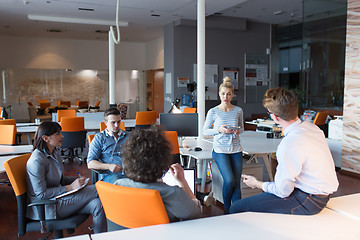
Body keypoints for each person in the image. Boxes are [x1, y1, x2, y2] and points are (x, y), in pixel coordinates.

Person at [230, 87, 339, 215]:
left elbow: (283, 192)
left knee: (236, 208)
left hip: (309, 201)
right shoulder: (312, 128)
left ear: (275, 117)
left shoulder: (289, 144)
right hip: (321, 194)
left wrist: (257, 183)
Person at [26, 122, 106, 233]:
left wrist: (76, 181)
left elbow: (60, 179)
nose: (62, 136)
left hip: (58, 199)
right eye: (58, 134)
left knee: (98, 204)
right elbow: (40, 195)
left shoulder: (55, 153)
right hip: (48, 207)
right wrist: (69, 187)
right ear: (45, 138)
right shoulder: (36, 160)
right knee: (99, 188)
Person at [114, 126, 201, 222]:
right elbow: (195, 213)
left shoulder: (119, 185)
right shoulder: (172, 193)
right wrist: (182, 181)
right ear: (164, 160)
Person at [203, 77, 244, 214]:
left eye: (228, 94)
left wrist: (238, 130)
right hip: (220, 150)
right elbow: (205, 131)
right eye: (223, 94)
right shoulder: (213, 111)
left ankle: (237, 212)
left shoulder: (238, 110)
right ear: (219, 94)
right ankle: (227, 210)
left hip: (236, 149)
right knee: (229, 179)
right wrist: (219, 130)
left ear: (232, 95)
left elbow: (242, 128)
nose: (226, 97)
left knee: (236, 182)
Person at [87, 107, 129, 183]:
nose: (117, 125)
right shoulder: (99, 138)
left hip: (130, 173)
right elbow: (90, 163)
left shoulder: (128, 136)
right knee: (123, 185)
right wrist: (109, 166)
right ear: (105, 123)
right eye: (113, 122)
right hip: (110, 175)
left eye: (119, 122)